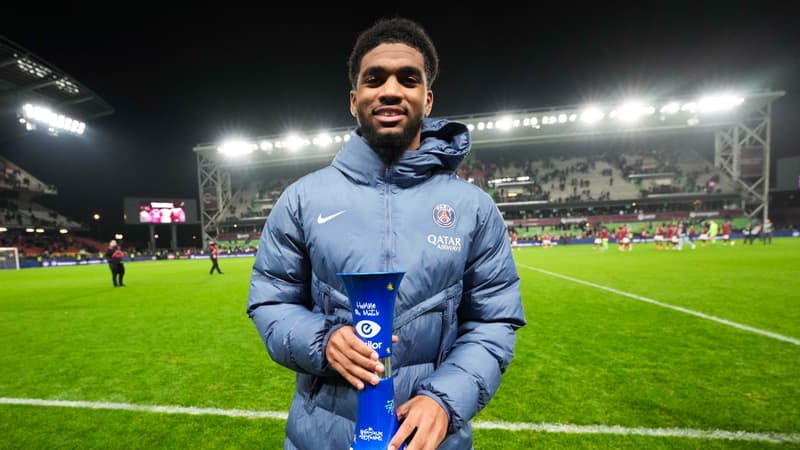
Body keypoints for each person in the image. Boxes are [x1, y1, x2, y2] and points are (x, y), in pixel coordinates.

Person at [247, 17, 526, 450]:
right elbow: (271, 301)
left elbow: (493, 321)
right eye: (375, 79)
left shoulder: (473, 208)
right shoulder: (301, 200)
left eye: (408, 79)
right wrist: (322, 340)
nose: (391, 90)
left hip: (434, 441)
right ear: (354, 99)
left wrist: (444, 401)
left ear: (427, 99)